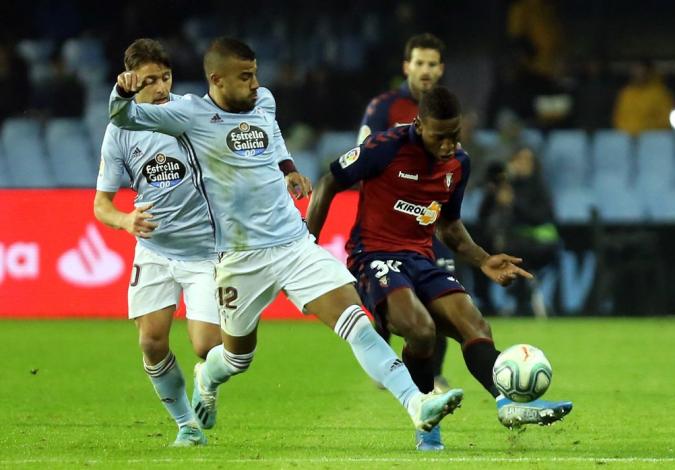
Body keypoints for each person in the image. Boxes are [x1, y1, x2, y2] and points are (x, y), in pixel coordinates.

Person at [108, 37, 464, 444]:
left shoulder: (264, 101)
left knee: (356, 323)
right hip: (240, 258)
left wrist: (289, 168)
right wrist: (122, 91)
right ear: (217, 80)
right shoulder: (186, 115)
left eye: (256, 73)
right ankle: (207, 377)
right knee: (236, 358)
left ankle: (416, 404)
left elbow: (272, 135)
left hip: (293, 243)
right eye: (245, 77)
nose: (256, 83)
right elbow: (122, 118)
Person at [307, 86, 573, 451]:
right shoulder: (386, 147)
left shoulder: (458, 164)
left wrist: (482, 259)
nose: (449, 144)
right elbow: (328, 182)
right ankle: (426, 422)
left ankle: (508, 403)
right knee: (421, 330)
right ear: (419, 124)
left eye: (454, 135)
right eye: (440, 136)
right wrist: (308, 244)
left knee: (474, 323)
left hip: (421, 258)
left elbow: (448, 225)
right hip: (374, 256)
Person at [94, 38, 221, 447]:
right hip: (155, 249)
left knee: (207, 346)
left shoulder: (189, 113)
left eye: (165, 77)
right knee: (151, 342)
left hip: (204, 251)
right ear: (131, 81)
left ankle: (208, 386)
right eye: (149, 81)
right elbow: (102, 205)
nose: (161, 87)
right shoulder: (120, 132)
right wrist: (126, 219)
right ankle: (187, 426)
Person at [357, 32, 453, 395]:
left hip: (429, 221)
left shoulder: (445, 109)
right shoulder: (382, 108)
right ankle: (388, 366)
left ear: (440, 69)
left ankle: (436, 373)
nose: (425, 70)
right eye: (419, 63)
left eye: (432, 64)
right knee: (387, 300)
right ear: (406, 66)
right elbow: (363, 158)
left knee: (442, 294)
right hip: (387, 223)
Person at [478, 147, 560, 316]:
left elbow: (542, 217)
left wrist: (514, 202)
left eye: (527, 160)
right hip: (504, 244)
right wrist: (494, 193)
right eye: (519, 160)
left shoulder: (539, 187)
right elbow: (482, 215)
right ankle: (489, 303)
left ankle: (519, 295)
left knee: (516, 251)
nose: (522, 165)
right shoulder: (503, 186)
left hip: (536, 246)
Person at [613, 60, 674, 135]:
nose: (638, 74)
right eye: (635, 71)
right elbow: (618, 117)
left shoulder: (660, 94)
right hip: (625, 138)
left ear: (649, 73)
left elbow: (665, 120)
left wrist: (644, 130)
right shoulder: (626, 93)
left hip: (651, 138)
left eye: (641, 71)